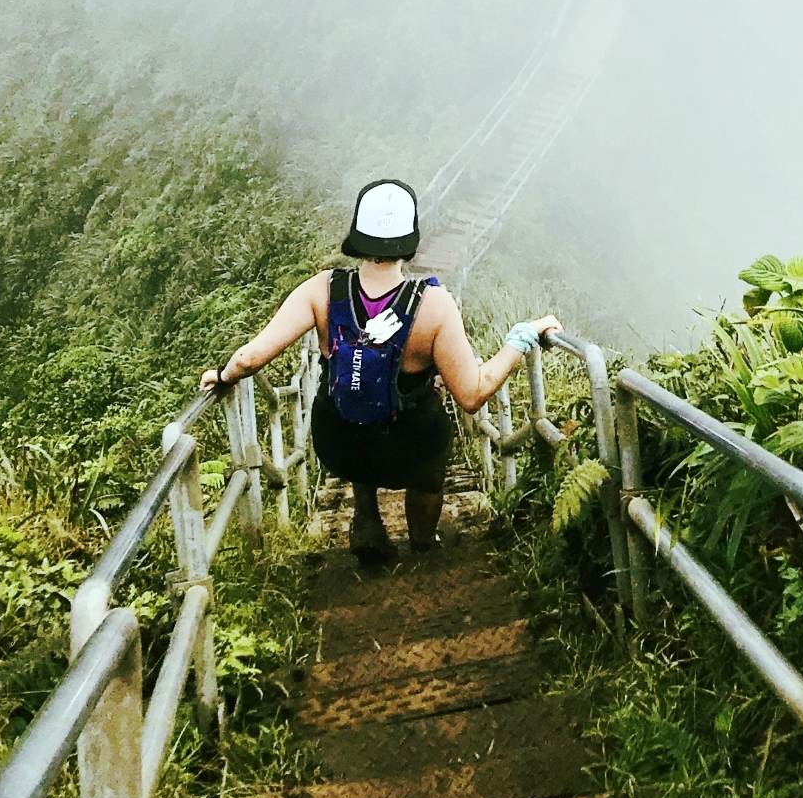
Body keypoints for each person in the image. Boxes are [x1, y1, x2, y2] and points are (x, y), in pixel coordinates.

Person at [201, 178, 560, 563]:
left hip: (339, 447)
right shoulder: (435, 306)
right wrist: (522, 337)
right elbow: (472, 394)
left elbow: (250, 359)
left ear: (357, 235)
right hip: (410, 451)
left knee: (354, 409)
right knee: (429, 452)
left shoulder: (322, 289)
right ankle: (422, 545)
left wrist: (222, 376)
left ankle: (368, 517)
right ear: (410, 240)